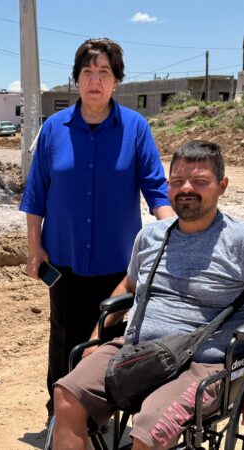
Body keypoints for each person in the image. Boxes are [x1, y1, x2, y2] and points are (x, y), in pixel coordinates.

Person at [52, 141, 244, 450]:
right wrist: (96, 339)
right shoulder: (151, 236)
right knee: (67, 394)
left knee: (151, 429)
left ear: (222, 186)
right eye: (178, 181)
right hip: (138, 353)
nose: (186, 189)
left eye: (200, 181)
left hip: (204, 366)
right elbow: (129, 286)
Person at [19, 37, 175, 419]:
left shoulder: (135, 129)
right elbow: (36, 195)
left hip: (117, 265)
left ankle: (98, 416)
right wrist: (34, 247)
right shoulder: (54, 129)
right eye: (88, 71)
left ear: (116, 80)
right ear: (76, 79)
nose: (95, 80)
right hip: (65, 259)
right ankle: (59, 415)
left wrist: (176, 232)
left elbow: (157, 190)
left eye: (104, 72)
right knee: (64, 337)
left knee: (109, 341)